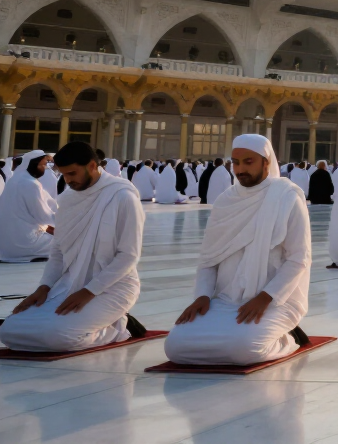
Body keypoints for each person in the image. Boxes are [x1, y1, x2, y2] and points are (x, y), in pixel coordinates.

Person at [164, 134, 312, 365]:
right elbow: (208, 259)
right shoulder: (226, 201)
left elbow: (298, 258)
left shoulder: (286, 196)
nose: (240, 169)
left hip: (275, 300)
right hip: (225, 299)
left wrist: (265, 297)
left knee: (244, 349)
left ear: (266, 162)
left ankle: (287, 339)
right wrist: (202, 296)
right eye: (235, 162)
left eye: (248, 162)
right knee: (176, 347)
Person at [0, 142, 147, 352]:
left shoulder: (122, 196)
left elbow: (128, 256)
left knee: (58, 336)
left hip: (113, 287)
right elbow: (58, 250)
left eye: (72, 173)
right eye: (63, 175)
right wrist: (44, 287)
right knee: (10, 331)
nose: (68, 181)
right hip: (69, 285)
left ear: (92, 166)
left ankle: (120, 327)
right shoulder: (68, 199)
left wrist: (89, 291)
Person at [0, 150, 58, 262]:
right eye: (44, 165)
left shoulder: (16, 179)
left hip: (6, 243)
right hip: (24, 243)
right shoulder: (30, 184)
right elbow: (44, 216)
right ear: (34, 164)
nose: (45, 168)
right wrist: (68, 224)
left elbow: (49, 203)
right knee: (69, 243)